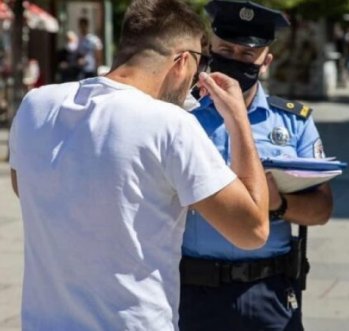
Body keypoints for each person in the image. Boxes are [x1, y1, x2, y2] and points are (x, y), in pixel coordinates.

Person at [9, 0, 270, 329]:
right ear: (182, 61)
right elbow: (253, 230)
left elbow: (25, 189)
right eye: (200, 65)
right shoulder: (170, 125)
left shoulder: (36, 104)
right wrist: (239, 122)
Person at [178, 1, 333, 331]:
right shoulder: (180, 116)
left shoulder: (294, 122)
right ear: (210, 49)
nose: (235, 60)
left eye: (247, 54)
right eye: (226, 49)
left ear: (266, 61)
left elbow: (321, 208)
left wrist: (279, 205)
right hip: (192, 290)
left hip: (269, 291)